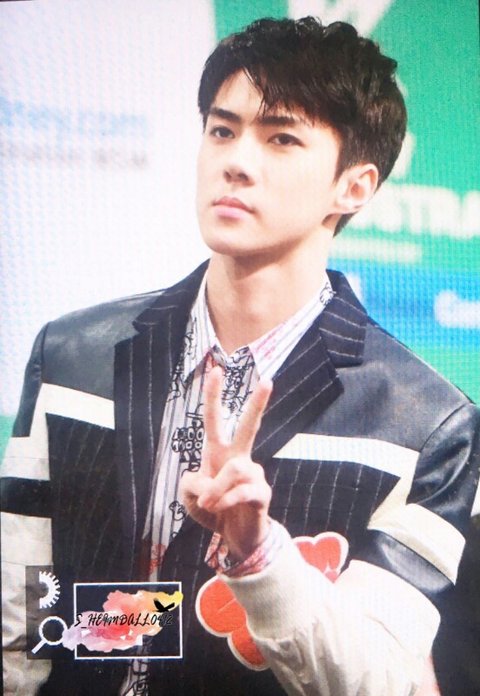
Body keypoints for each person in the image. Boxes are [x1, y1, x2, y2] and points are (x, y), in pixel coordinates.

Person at [1, 16, 479, 696]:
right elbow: (21, 627)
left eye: (281, 138)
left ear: (354, 186)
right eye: (223, 131)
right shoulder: (73, 357)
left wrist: (259, 557)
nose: (236, 160)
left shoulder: (425, 424)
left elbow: (378, 680)